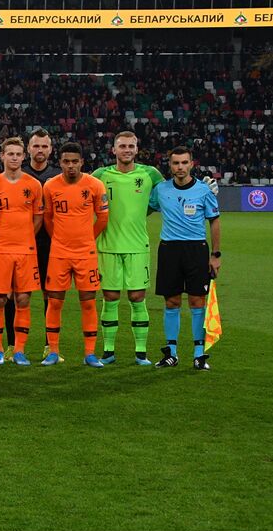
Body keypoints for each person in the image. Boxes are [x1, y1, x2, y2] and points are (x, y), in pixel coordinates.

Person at [93, 130, 165, 365]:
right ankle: (109, 351)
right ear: (113, 150)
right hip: (108, 245)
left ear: (137, 149)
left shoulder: (150, 174)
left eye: (130, 146)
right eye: (122, 146)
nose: (126, 150)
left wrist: (201, 190)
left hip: (137, 245)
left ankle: (141, 353)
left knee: (137, 297)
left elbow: (168, 194)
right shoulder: (101, 175)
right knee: (110, 296)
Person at [150, 146, 222, 370]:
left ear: (192, 164)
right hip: (169, 250)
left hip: (196, 250)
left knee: (196, 301)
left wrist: (215, 255)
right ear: (169, 166)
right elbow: (145, 207)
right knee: (171, 301)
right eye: (175, 163)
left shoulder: (204, 190)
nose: (180, 167)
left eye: (184, 163)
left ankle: (199, 355)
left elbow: (215, 221)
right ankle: (171, 353)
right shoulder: (160, 189)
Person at [41, 142, 110, 367]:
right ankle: (52, 351)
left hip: (85, 254)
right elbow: (48, 218)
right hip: (59, 253)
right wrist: (59, 239)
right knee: (54, 301)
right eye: (66, 162)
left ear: (82, 162)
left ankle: (90, 353)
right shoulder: (50, 186)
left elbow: (102, 218)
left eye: (74, 161)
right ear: (60, 162)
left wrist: (86, 239)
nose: (70, 166)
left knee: (88, 303)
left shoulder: (95, 185)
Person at [0, 137, 43, 366]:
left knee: (23, 298)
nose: (15, 158)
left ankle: (19, 350)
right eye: (10, 154)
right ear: (3, 156)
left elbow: (38, 217)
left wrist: (27, 236)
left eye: (18, 154)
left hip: (25, 250)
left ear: (23, 156)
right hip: (0, 250)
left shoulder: (33, 185)